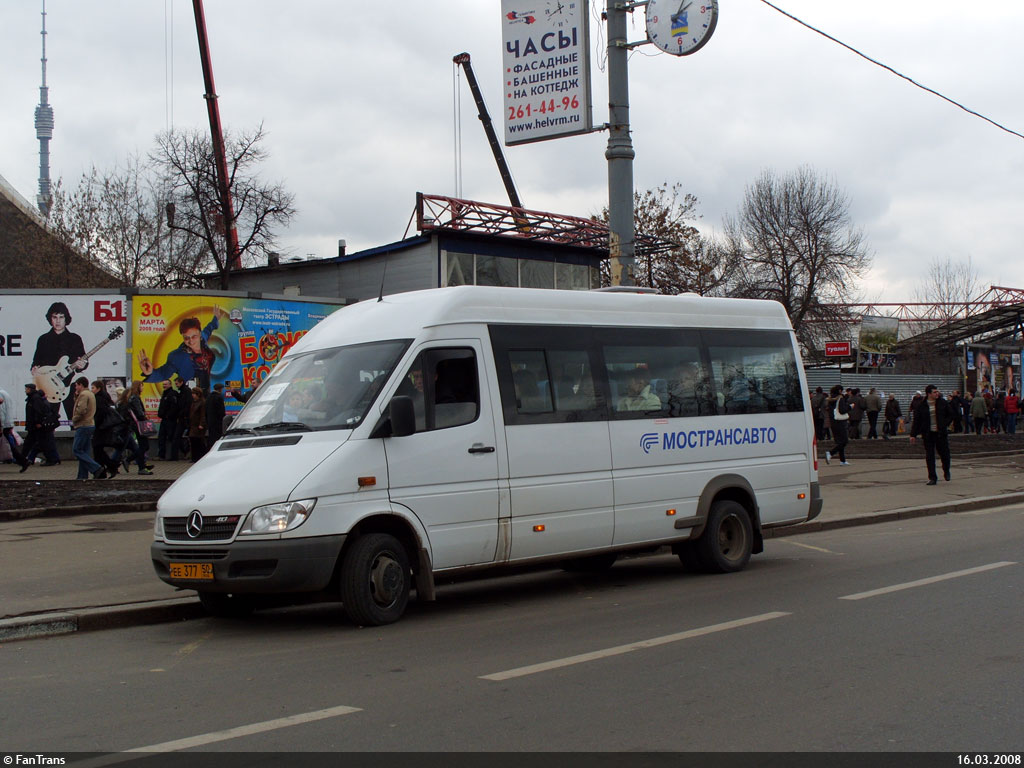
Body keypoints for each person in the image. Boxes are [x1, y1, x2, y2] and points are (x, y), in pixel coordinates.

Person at [138, 306, 228, 390]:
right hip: (191, 398)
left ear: (200, 334)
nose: (191, 341)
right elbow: (163, 373)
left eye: (194, 337)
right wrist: (150, 373)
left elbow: (209, 328)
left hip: (207, 394)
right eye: (186, 338)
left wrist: (216, 318)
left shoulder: (203, 338)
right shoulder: (177, 356)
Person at [30, 301, 88, 422]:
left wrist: (82, 365)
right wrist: (35, 368)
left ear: (66, 319)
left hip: (70, 385)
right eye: (54, 317)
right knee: (48, 421)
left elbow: (82, 361)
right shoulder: (43, 339)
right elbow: (36, 360)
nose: (58, 321)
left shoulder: (75, 338)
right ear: (50, 318)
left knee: (75, 421)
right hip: (48, 387)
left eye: (61, 317)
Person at [910, 384, 953, 485]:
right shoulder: (922, 405)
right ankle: (932, 477)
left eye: (937, 392)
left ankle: (946, 470)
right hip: (928, 434)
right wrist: (913, 434)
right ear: (929, 393)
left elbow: (951, 414)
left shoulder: (942, 403)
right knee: (930, 455)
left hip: (941, 433)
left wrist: (944, 424)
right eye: (934, 392)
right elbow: (917, 420)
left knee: (945, 454)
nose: (937, 393)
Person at [71, 377, 105, 480]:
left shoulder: (84, 395)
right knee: (84, 452)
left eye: (76, 385)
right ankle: (82, 476)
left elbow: (81, 410)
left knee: (76, 450)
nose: (75, 387)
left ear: (81, 385)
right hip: (90, 424)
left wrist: (74, 419)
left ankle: (97, 468)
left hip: (83, 425)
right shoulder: (90, 394)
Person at [91, 380, 127, 477]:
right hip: (105, 427)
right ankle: (103, 471)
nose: (92, 390)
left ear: (98, 388)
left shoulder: (99, 399)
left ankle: (111, 467)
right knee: (98, 450)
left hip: (101, 427)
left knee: (97, 449)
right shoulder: (105, 397)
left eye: (93, 388)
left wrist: (96, 423)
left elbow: (100, 414)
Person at [20, 383, 61, 468]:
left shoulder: (35, 398)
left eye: (26, 389)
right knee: (32, 443)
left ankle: (51, 459)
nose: (25, 390)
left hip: (36, 426)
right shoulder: (33, 398)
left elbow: (38, 412)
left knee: (42, 443)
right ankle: (22, 458)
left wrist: (38, 422)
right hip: (34, 425)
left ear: (30, 389)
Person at [116, 386, 153, 475]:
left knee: (139, 447)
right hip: (135, 426)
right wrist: (144, 417)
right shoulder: (130, 401)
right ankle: (136, 464)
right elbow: (137, 414)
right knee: (142, 446)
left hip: (132, 427)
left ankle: (139, 464)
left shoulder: (126, 403)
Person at [0, 387, 31, 470]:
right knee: (8, 445)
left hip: (3, 424)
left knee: (8, 445)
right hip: (6, 423)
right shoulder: (4, 393)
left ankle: (23, 461)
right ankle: (23, 461)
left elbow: (1, 412)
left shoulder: (1, 394)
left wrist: (1, 425)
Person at [824, 385, 851, 466]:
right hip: (840, 422)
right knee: (845, 441)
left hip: (833, 422)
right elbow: (842, 410)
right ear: (839, 390)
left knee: (840, 441)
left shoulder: (830, 399)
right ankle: (830, 453)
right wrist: (850, 407)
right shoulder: (840, 398)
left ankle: (842, 461)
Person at [189, 387, 208, 462]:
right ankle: (194, 457)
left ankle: (199, 457)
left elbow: (203, 414)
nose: (192, 395)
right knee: (193, 440)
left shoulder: (202, 402)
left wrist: (202, 424)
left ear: (198, 394)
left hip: (198, 425)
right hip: (193, 425)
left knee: (198, 441)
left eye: (194, 394)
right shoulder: (194, 402)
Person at [205, 382, 226, 448]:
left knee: (211, 438)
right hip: (217, 422)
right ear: (220, 389)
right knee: (217, 438)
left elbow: (205, 410)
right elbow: (221, 411)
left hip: (210, 421)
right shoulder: (219, 397)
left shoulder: (208, 397)